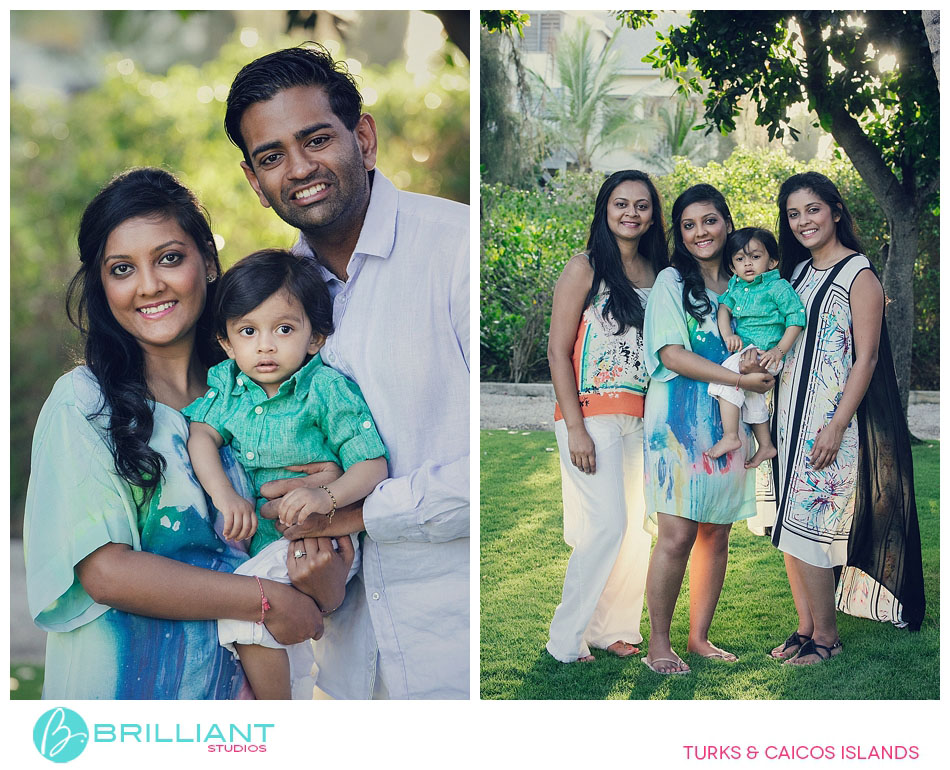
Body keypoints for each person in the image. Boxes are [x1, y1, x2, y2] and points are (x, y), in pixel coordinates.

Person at [23, 168, 344, 699]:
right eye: (122, 269)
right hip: (127, 711)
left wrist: (324, 502)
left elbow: (305, 547)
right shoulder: (83, 404)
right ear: (102, 287)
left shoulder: (260, 397)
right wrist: (263, 600)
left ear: (208, 262)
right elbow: (105, 572)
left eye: (169, 258)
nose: (149, 285)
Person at [224, 44, 469, 699]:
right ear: (254, 180)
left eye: (316, 139)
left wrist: (353, 510)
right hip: (346, 670)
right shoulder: (274, 305)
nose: (299, 168)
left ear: (363, 137)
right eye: (272, 156)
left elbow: (487, 465)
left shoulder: (454, 249)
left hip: (454, 658)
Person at [183, 249, 388, 699]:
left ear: (315, 338)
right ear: (227, 343)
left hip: (323, 538)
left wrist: (328, 497)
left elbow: (373, 464)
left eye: (284, 329)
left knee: (244, 612)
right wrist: (226, 496)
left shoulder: (326, 389)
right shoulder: (229, 387)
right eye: (248, 331)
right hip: (264, 543)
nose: (266, 345)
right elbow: (201, 435)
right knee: (270, 630)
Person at [769, 172, 925, 665]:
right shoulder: (797, 275)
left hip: (828, 426)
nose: (803, 221)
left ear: (835, 211)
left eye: (812, 210)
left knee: (810, 528)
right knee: (788, 526)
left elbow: (867, 359)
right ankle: (805, 628)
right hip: (786, 421)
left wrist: (837, 425)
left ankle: (828, 638)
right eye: (793, 214)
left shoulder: (860, 275)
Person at [641, 184, 774, 675]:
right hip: (678, 421)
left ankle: (699, 637)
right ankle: (659, 642)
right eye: (689, 224)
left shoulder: (748, 283)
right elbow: (671, 354)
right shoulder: (671, 282)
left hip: (730, 420)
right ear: (679, 233)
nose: (701, 232)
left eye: (710, 220)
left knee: (716, 532)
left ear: (727, 222)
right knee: (676, 533)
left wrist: (764, 363)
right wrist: (740, 377)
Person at [545, 170, 668, 664]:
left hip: (640, 416)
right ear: (605, 209)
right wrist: (575, 427)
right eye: (621, 204)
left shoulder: (658, 275)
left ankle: (611, 629)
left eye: (642, 206)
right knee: (606, 527)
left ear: (653, 215)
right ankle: (564, 640)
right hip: (590, 417)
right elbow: (556, 351)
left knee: (636, 530)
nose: (631, 214)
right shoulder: (584, 268)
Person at [707, 227, 805, 466]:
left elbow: (796, 318)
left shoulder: (778, 287)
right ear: (732, 266)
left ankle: (731, 436)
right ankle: (766, 446)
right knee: (752, 397)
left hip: (767, 354)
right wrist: (728, 333)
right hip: (747, 352)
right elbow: (723, 309)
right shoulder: (736, 287)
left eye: (755, 257)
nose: (748, 264)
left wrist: (778, 350)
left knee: (725, 379)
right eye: (740, 259)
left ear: (772, 261)